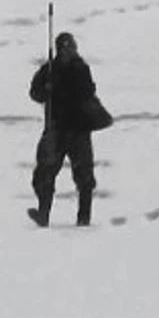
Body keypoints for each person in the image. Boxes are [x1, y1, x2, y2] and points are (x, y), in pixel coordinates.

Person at [27, 31, 100, 227]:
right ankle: (43, 215)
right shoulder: (49, 69)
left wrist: (60, 87)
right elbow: (35, 93)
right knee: (44, 174)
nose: (69, 51)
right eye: (65, 48)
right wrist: (47, 88)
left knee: (84, 176)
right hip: (56, 129)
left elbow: (88, 91)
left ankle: (84, 218)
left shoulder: (81, 68)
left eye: (71, 47)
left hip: (78, 130)